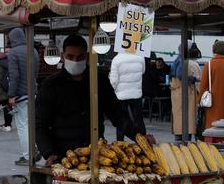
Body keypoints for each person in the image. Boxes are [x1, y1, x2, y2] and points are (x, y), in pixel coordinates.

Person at [36, 34, 125, 166]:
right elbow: (40, 124)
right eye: (70, 57)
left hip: (97, 154)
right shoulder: (50, 85)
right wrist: (49, 152)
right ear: (62, 56)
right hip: (63, 156)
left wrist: (138, 134)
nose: (75, 61)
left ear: (87, 56)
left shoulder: (99, 80)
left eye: (80, 57)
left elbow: (117, 114)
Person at [8, 27, 39, 166]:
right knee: (32, 125)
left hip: (21, 95)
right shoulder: (33, 50)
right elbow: (36, 72)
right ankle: (33, 150)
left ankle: (27, 155)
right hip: (33, 93)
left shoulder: (13, 53)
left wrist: (11, 95)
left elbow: (14, 76)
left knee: (22, 126)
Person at [109, 52, 147, 141]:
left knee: (121, 120)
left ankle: (120, 142)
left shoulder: (116, 59)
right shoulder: (140, 57)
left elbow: (114, 80)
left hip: (121, 95)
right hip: (136, 93)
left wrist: (112, 91)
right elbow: (143, 71)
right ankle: (143, 141)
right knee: (138, 119)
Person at [170, 42, 202, 140]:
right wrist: (194, 78)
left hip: (177, 92)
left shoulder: (177, 60)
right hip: (184, 93)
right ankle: (184, 142)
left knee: (179, 119)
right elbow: (181, 75)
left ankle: (180, 139)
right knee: (186, 119)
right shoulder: (182, 61)